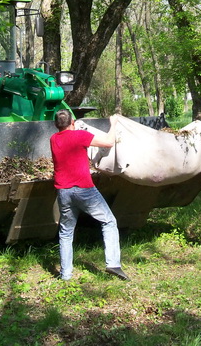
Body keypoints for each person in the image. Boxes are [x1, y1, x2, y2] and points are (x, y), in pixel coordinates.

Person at [50, 109, 129, 281]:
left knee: (65, 232)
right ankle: (113, 263)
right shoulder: (79, 136)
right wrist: (113, 123)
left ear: (56, 125)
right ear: (72, 123)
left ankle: (66, 275)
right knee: (109, 221)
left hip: (63, 192)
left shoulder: (53, 139)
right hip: (84, 189)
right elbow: (108, 143)